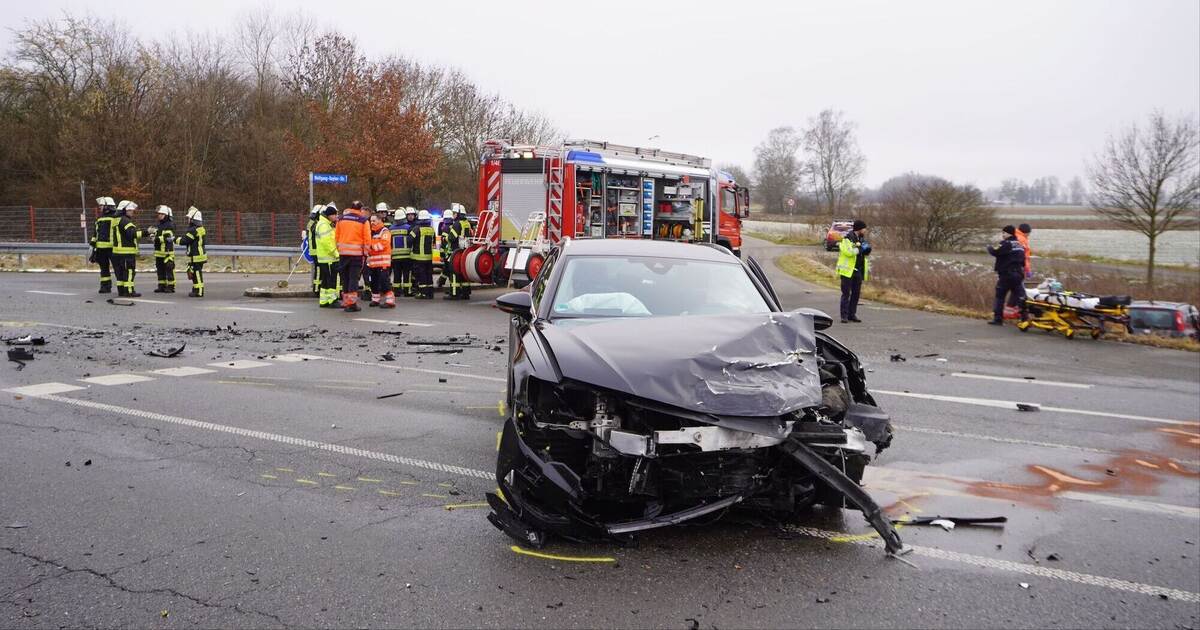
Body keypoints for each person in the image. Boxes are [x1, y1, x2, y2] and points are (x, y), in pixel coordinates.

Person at [986, 225, 1027, 326]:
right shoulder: (1019, 245)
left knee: (1000, 296)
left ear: (1008, 233)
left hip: (1006, 275)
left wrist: (989, 248)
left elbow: (996, 252)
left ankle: (998, 319)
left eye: (1003, 233)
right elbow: (1023, 261)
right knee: (1021, 297)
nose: (1003, 235)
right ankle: (1024, 319)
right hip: (1018, 274)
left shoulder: (1006, 244)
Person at [335, 200, 371, 312]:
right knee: (353, 279)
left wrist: (339, 249)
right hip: (356, 255)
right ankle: (352, 304)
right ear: (360, 210)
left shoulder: (340, 219)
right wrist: (365, 253)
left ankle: (346, 301)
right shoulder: (363, 221)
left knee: (345, 278)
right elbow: (367, 239)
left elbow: (336, 236)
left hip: (343, 254)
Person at [836, 219, 871, 323]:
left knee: (856, 294)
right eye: (864, 228)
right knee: (846, 294)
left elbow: (864, 250)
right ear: (859, 228)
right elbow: (848, 252)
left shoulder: (861, 239)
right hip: (847, 271)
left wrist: (867, 249)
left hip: (858, 271)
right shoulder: (846, 239)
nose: (865, 230)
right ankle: (844, 316)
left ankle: (852, 314)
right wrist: (860, 249)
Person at [111, 200, 144, 297]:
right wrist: (147, 232)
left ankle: (121, 291)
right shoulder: (125, 220)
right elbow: (132, 234)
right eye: (130, 210)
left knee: (120, 273)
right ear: (124, 210)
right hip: (126, 252)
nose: (132, 212)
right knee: (129, 271)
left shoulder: (116, 220)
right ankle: (129, 291)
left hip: (117, 252)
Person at [89, 197, 119, 293]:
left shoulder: (116, 218)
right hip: (101, 249)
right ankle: (105, 287)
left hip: (112, 248)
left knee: (117, 268)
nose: (100, 207)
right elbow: (95, 233)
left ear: (107, 206)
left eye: (101, 205)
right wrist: (93, 245)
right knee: (104, 269)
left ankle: (121, 288)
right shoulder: (99, 219)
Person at [176, 207, 208, 297]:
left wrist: (174, 239)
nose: (188, 220)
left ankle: (199, 291)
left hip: (196, 256)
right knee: (194, 272)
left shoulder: (193, 230)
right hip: (199, 255)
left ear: (193, 219)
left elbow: (184, 241)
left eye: (189, 218)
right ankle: (195, 289)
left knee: (197, 273)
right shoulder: (200, 228)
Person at [366, 214, 395, 308]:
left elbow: (383, 244)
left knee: (384, 282)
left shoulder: (385, 231)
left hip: (383, 262)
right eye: (371, 221)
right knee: (373, 282)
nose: (372, 222)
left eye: (374, 220)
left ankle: (390, 301)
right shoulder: (370, 232)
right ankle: (375, 299)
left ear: (379, 220)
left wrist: (371, 246)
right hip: (373, 263)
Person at [314, 204, 340, 308]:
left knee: (325, 280)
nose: (336, 217)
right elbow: (327, 243)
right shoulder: (324, 225)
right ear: (329, 215)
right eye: (334, 215)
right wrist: (336, 254)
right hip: (329, 258)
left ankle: (323, 300)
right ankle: (332, 300)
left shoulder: (323, 223)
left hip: (323, 258)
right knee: (331, 280)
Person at [443, 210, 473, 300]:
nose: (453, 215)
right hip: (465, 251)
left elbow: (452, 237)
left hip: (456, 252)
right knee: (463, 272)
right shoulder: (467, 223)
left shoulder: (457, 224)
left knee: (454, 272)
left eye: (455, 213)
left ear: (458, 214)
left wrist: (445, 239)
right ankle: (465, 293)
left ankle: (454, 293)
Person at [410, 210, 436, 299]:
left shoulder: (416, 229)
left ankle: (423, 293)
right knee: (429, 274)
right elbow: (434, 241)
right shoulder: (432, 229)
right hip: (429, 257)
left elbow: (409, 240)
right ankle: (430, 293)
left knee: (421, 275)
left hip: (418, 257)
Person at [389, 207, 415, 297]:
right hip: (407, 256)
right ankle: (407, 291)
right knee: (407, 274)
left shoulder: (391, 229)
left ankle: (396, 292)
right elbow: (412, 241)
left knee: (396, 274)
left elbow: (389, 243)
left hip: (395, 256)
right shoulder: (408, 228)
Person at [151, 205, 176, 293]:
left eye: (162, 214)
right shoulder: (159, 224)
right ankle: (161, 285)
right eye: (159, 214)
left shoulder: (170, 225)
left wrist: (156, 238)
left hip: (167, 251)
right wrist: (152, 234)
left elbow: (168, 238)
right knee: (160, 269)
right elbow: (158, 236)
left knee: (169, 269)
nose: (159, 215)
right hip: (158, 252)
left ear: (166, 215)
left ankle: (171, 286)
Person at [307, 205, 322, 296]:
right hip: (316, 250)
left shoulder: (311, 223)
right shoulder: (315, 224)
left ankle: (317, 287)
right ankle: (316, 289)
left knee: (318, 269)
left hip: (314, 249)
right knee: (319, 270)